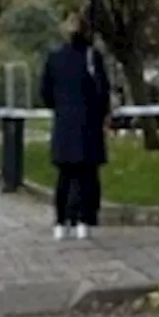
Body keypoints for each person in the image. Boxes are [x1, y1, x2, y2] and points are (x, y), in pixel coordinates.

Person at [40, 12, 111, 241]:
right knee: (86, 175)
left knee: (64, 175)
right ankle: (82, 219)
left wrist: (60, 108)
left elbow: (45, 93)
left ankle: (61, 221)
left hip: (64, 125)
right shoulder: (92, 57)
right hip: (88, 124)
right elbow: (102, 91)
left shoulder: (54, 58)